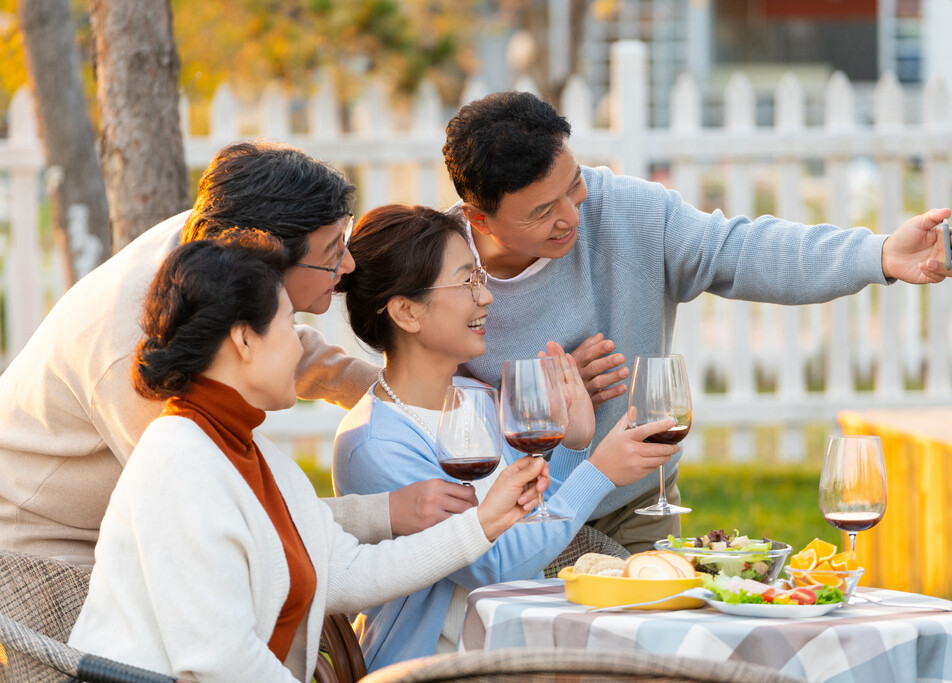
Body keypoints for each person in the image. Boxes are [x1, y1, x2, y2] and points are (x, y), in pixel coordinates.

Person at [441, 91, 952, 552]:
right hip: (505, 515)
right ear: (479, 218)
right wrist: (535, 404)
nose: (572, 216)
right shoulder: (434, 268)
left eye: (573, 186)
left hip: (636, 504)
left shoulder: (630, 213)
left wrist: (876, 254)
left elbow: (741, 250)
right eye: (541, 211)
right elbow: (403, 394)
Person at [67, 234, 549, 683]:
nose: (301, 346)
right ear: (244, 339)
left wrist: (484, 521)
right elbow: (219, 663)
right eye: (287, 326)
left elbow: (348, 571)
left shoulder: (251, 453)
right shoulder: (179, 461)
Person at [0, 141, 478, 565]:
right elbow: (229, 505)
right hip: (47, 549)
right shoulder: (138, 349)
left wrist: (405, 396)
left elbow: (294, 349)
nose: (347, 265)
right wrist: (388, 511)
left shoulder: (218, 244)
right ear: (267, 260)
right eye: (333, 252)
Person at [331, 205, 679, 671]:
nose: (486, 297)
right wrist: (599, 471)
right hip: (433, 667)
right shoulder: (374, 444)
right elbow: (494, 567)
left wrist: (575, 445)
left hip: (515, 651)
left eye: (480, 276)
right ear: (407, 312)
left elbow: (533, 517)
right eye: (466, 282)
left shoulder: (475, 399)